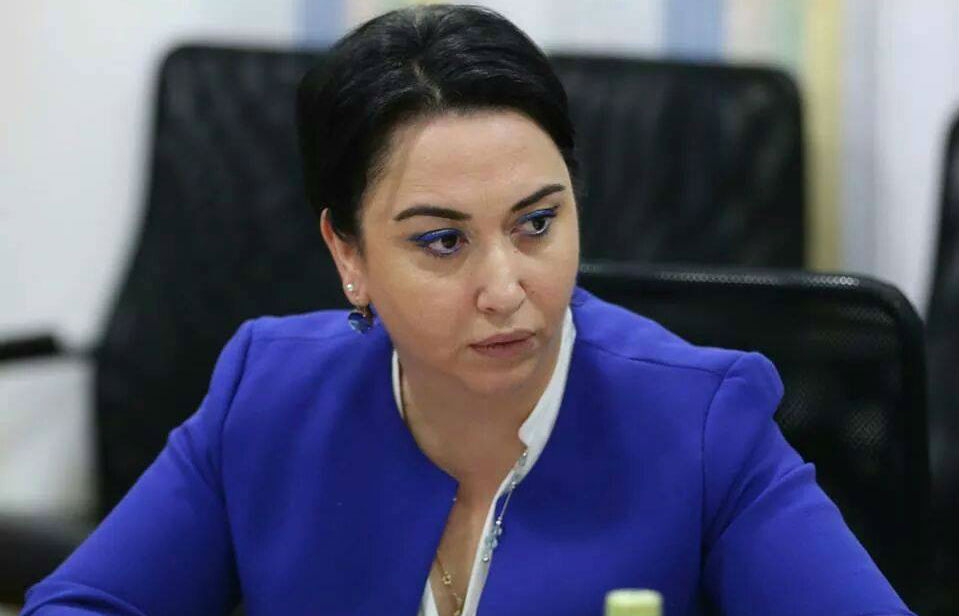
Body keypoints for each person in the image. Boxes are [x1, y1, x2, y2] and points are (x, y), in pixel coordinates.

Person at [23, 5, 914, 615]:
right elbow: (82, 603)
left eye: (537, 223)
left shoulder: (704, 421)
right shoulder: (267, 390)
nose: (505, 287)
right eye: (442, 241)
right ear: (347, 254)